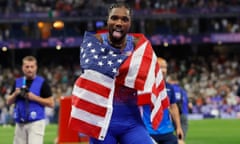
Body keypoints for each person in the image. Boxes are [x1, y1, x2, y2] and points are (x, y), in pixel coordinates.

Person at [68, 2, 169, 144]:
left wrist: (115, 67)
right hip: (101, 122)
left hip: (131, 122)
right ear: (108, 20)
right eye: (114, 18)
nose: (119, 23)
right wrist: (130, 64)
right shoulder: (94, 41)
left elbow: (148, 72)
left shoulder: (139, 43)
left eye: (124, 19)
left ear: (130, 23)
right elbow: (90, 66)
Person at [6, 55, 54, 144]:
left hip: (36, 121)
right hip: (20, 122)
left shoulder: (42, 83)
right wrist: (15, 94)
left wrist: (34, 98)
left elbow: (51, 103)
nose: (29, 69)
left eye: (32, 66)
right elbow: (8, 101)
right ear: (22, 67)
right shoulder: (17, 82)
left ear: (36, 67)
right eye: (27, 67)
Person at [142, 57, 184, 144]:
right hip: (148, 132)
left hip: (167, 131)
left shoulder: (169, 87)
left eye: (165, 67)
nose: (164, 70)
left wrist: (179, 127)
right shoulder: (143, 86)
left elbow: (173, 107)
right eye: (160, 67)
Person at [167, 74, 190, 140]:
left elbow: (174, 103)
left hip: (172, 114)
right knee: (180, 138)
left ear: (171, 80)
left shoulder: (170, 88)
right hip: (182, 114)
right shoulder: (182, 89)